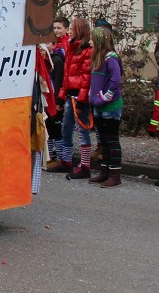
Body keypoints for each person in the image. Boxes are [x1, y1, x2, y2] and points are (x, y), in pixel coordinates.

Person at [56, 18, 93, 177]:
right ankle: (66, 160)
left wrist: (82, 100)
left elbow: (86, 78)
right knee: (66, 128)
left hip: (78, 96)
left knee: (82, 130)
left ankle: (85, 166)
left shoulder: (86, 50)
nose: (69, 31)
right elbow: (66, 75)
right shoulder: (71, 47)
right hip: (71, 95)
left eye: (71, 28)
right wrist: (61, 96)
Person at [87, 26, 123, 187]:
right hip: (98, 106)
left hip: (110, 106)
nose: (89, 42)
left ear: (100, 42)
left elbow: (115, 82)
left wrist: (104, 97)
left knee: (112, 140)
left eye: (92, 39)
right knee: (103, 141)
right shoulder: (97, 59)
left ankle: (115, 174)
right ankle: (104, 171)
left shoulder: (111, 59)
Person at [45, 16, 70, 165]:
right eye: (54, 28)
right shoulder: (53, 52)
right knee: (50, 127)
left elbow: (61, 77)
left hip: (60, 94)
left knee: (58, 127)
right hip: (52, 94)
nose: (56, 31)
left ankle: (61, 157)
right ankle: (49, 156)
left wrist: (60, 98)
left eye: (59, 28)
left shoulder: (64, 49)